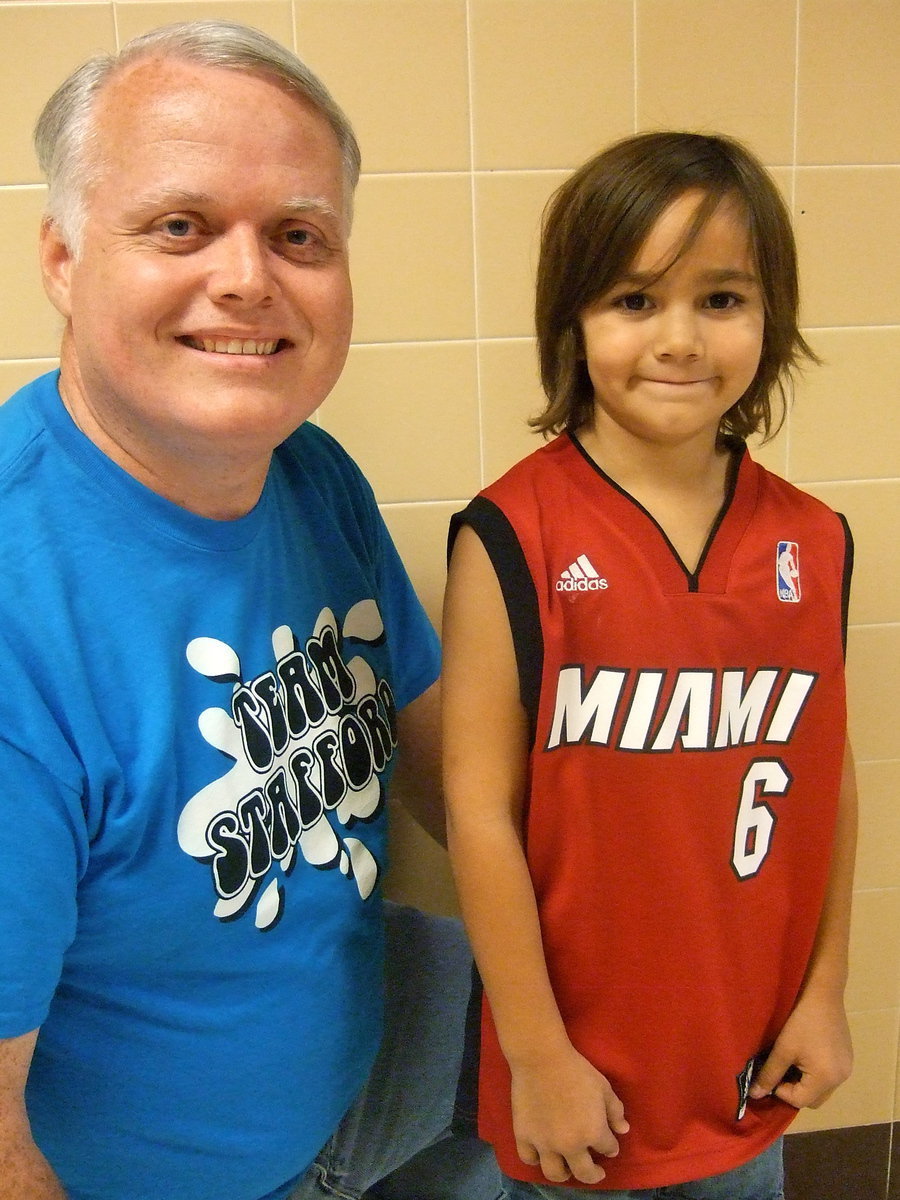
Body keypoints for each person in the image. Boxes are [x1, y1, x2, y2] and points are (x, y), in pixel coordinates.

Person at [0, 20, 501, 1200]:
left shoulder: (308, 471)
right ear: (64, 259)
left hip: (381, 1076)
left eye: (297, 235)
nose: (246, 278)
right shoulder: (21, 624)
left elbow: (446, 767)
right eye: (181, 225)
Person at [442, 131, 857, 1199]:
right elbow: (479, 810)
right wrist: (536, 1057)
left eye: (720, 299)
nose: (679, 340)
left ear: (771, 319)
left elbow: (824, 779)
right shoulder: (510, 532)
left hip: (746, 1068)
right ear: (572, 324)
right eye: (634, 300)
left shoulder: (814, 541)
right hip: (578, 1082)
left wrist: (825, 988)